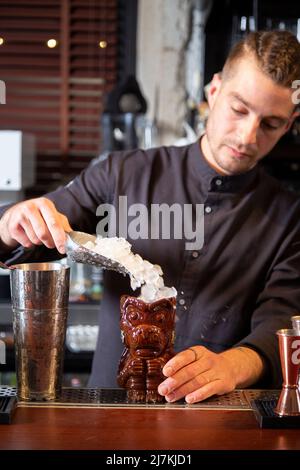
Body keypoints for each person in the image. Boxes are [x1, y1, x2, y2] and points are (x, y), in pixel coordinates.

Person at [1, 30, 300, 404]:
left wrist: (236, 364)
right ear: (214, 92)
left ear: (289, 124)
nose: (247, 136)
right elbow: (36, 231)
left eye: (270, 124)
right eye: (238, 109)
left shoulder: (289, 217)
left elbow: (284, 320)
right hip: (109, 414)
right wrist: (14, 220)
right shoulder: (120, 175)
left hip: (218, 420)